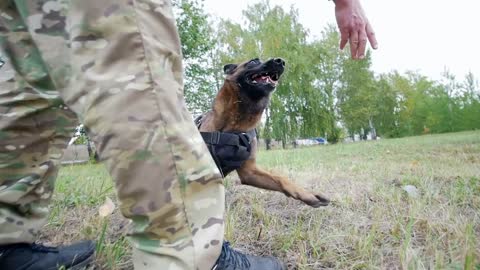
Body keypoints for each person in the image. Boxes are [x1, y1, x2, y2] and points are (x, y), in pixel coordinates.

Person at [0, 0, 376, 269]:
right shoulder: (213, 118)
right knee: (133, 55)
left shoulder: (247, 133)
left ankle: (7, 243)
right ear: (230, 75)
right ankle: (192, 254)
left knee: (35, 87)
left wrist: (291, 187)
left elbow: (249, 172)